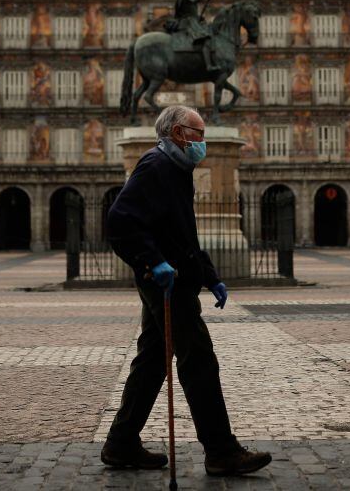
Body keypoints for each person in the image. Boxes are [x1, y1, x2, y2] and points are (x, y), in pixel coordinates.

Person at [101, 105, 272, 477]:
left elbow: (183, 236)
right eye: (199, 134)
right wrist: (152, 261)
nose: (203, 142)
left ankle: (121, 442)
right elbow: (120, 221)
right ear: (178, 133)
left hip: (174, 278)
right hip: (167, 283)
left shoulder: (177, 170)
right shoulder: (155, 166)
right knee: (198, 360)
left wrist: (210, 276)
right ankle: (221, 451)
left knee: (152, 360)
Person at [171, 0, 217, 71]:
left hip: (187, 21)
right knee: (206, 39)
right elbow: (195, 0)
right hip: (189, 22)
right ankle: (208, 65)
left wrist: (198, 18)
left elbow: (187, 11)